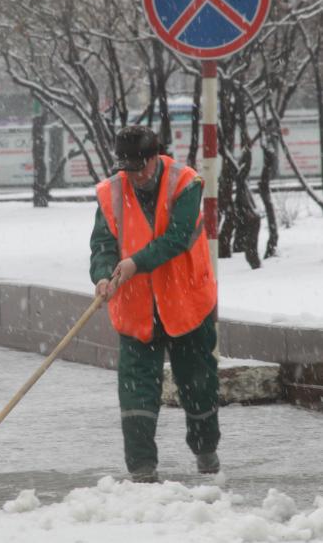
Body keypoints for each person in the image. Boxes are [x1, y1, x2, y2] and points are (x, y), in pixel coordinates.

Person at [89, 124, 220, 483]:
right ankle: (142, 470)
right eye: (126, 168)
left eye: (138, 167)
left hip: (187, 305)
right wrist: (102, 275)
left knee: (198, 385)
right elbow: (102, 244)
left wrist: (134, 263)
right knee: (136, 391)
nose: (132, 175)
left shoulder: (185, 183)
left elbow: (178, 238)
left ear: (154, 158)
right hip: (135, 309)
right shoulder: (111, 192)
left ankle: (206, 454)